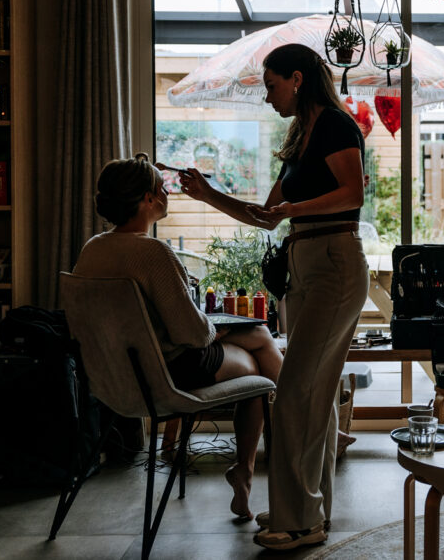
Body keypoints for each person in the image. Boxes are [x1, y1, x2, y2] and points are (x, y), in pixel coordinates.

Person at [178, 43, 369, 551]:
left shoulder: (335, 124)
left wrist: (293, 208)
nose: (268, 97)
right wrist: (207, 193)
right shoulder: (299, 136)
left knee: (296, 393)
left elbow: (353, 193)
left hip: (334, 262)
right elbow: (267, 215)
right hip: (305, 263)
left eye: (271, 85)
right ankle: (306, 508)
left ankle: (300, 521)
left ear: (298, 79)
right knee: (315, 396)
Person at [72, 153, 282, 522]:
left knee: (257, 341)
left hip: (113, 380)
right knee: (256, 367)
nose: (167, 192)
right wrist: (221, 328)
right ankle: (289, 449)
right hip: (168, 374)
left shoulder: (92, 250)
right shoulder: (153, 252)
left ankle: (284, 451)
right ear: (147, 200)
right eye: (161, 187)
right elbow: (193, 334)